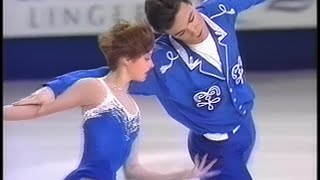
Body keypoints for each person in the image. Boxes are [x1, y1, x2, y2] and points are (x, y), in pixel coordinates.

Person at [12, 0, 266, 179]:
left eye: (191, 17)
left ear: (194, 4)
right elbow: (100, 76)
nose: (193, 29)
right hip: (215, 150)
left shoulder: (218, 12)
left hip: (245, 128)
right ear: (165, 34)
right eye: (180, 32)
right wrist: (53, 90)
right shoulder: (160, 65)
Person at [4, 20, 219, 180]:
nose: (152, 65)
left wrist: (183, 175)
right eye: (146, 58)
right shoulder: (95, 89)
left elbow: (134, 171)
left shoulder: (133, 109)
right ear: (126, 59)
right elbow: (37, 110)